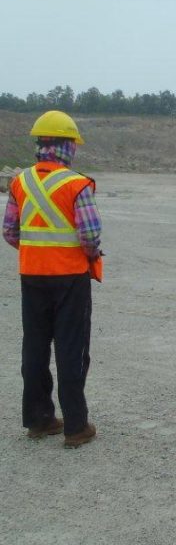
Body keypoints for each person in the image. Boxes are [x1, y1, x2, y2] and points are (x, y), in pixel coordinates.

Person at [3, 111, 102, 448]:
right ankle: (76, 427)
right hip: (70, 277)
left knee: (34, 347)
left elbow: (10, 231)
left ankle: (39, 420)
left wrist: (37, 250)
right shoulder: (77, 184)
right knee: (71, 350)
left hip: (32, 275)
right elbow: (90, 237)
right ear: (66, 145)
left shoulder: (19, 181)